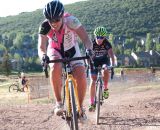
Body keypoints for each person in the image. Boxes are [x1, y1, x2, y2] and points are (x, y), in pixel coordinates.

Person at [38, 0, 93, 119]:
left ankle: (80, 107)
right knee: (55, 67)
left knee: (81, 73)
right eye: (50, 20)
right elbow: (41, 46)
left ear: (62, 16)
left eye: (56, 19)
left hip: (72, 49)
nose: (53, 23)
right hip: (55, 50)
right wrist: (43, 55)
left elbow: (86, 39)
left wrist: (89, 50)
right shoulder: (44, 26)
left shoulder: (71, 21)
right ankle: (58, 103)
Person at [88, 26, 115, 112]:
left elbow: (111, 55)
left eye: (102, 37)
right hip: (94, 61)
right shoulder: (91, 44)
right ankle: (92, 103)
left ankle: (105, 88)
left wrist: (113, 65)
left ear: (104, 37)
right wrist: (87, 65)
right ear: (95, 36)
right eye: (97, 37)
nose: (99, 39)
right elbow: (87, 57)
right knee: (92, 81)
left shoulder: (107, 44)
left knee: (106, 69)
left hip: (104, 60)